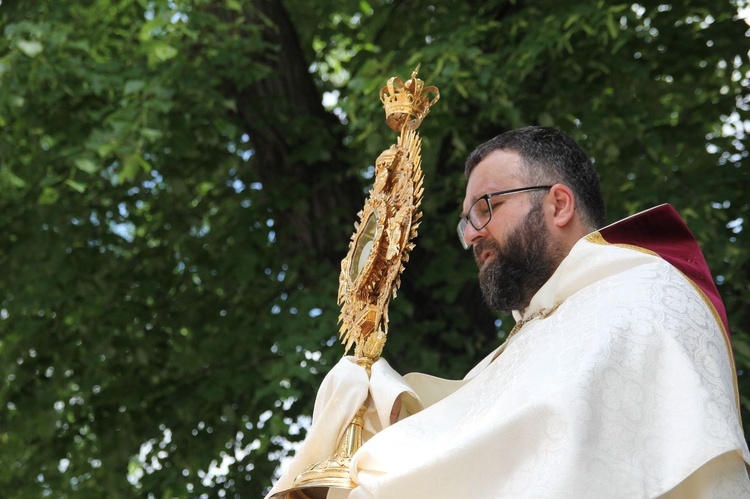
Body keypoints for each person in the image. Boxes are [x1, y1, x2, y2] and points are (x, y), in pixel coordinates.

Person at [268, 126, 750, 498]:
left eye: (486, 207)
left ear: (558, 204)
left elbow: (545, 456)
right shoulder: (538, 330)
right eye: (466, 223)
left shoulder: (640, 292)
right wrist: (384, 404)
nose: (473, 234)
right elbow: (483, 435)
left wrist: (383, 471)